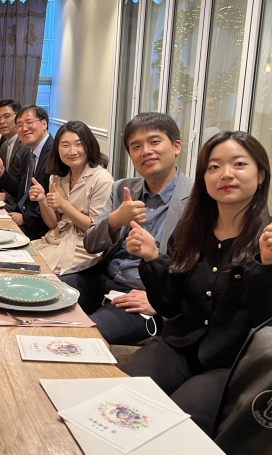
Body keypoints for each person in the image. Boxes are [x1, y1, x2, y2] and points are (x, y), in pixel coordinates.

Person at [121, 130, 272, 436]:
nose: (226, 174)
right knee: (120, 398)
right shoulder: (190, 231)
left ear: (261, 175)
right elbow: (169, 306)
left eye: (239, 164)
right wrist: (152, 259)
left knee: (176, 425)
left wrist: (268, 265)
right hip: (179, 347)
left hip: (238, 364)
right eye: (214, 166)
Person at [62, 112, 194, 345]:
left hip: (143, 295)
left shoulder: (196, 200)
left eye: (154, 142)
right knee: (47, 297)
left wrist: (161, 300)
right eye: (136, 146)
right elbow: (91, 244)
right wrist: (115, 220)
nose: (146, 151)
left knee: (82, 338)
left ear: (176, 146)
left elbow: (202, 269)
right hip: (103, 278)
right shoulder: (122, 189)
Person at [28, 121, 114, 275]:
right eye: (65, 145)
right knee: (20, 259)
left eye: (79, 144)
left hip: (84, 246)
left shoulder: (102, 179)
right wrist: (42, 200)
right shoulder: (57, 177)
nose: (72, 151)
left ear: (89, 145)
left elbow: (95, 228)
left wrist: (63, 204)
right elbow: (54, 224)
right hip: (56, 239)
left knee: (37, 272)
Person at [0, 105, 53, 240]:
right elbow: (20, 189)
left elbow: (53, 200)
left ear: (44, 124)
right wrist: (1, 172)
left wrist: (25, 218)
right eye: (19, 125)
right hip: (20, 215)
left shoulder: (54, 154)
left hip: (40, 228)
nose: (24, 128)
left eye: (29, 122)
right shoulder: (29, 154)